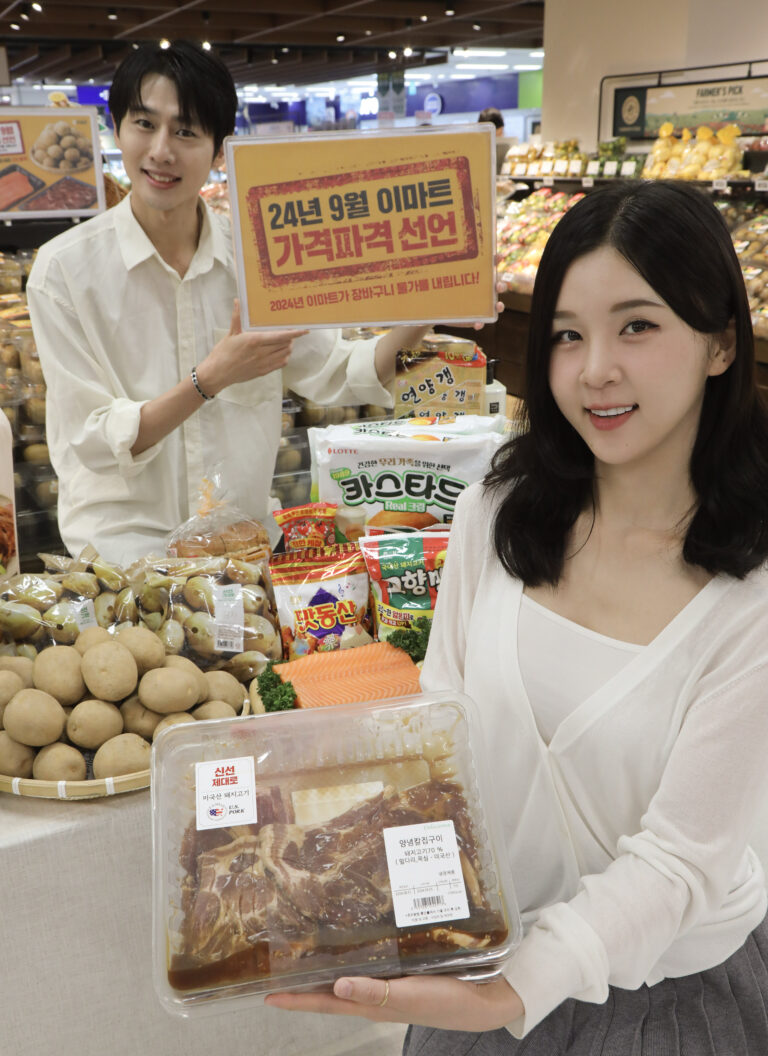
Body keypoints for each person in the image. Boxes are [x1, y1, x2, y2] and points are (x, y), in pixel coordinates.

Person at [264, 181, 768, 1053]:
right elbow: (441, 740)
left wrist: (514, 988)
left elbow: (683, 858)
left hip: (662, 1004)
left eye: (636, 327)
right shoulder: (496, 513)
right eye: (568, 334)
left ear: (721, 342)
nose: (594, 369)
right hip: (474, 976)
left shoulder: (750, 591)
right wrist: (347, 887)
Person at [27, 41, 477, 566]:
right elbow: (90, 440)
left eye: (186, 132)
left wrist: (429, 306)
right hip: (124, 559)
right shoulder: (63, 272)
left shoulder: (262, 258)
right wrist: (209, 378)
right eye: (144, 124)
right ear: (117, 129)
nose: (161, 151)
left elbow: (339, 372)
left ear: (220, 151)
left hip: (241, 555)